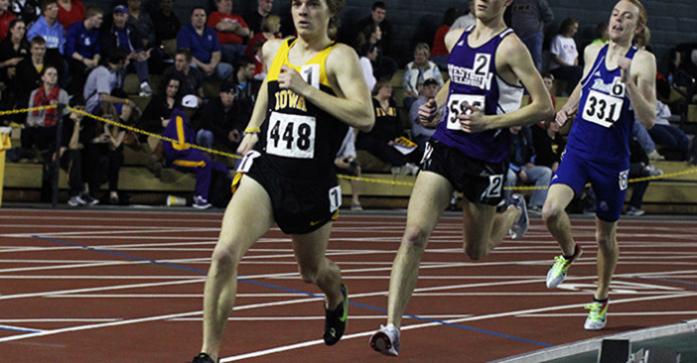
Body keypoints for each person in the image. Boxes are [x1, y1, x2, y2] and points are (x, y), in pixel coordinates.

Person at [190, 0, 374, 361]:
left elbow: (365, 116)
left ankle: (336, 294)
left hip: (311, 181)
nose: (303, 11)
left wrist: (308, 91)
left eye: (313, 4)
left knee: (312, 271)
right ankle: (208, 354)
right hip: (268, 169)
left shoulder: (340, 58)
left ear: (330, 11)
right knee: (224, 253)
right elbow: (269, 85)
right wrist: (254, 127)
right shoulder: (276, 49)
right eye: (297, 3)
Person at [369, 0, 553, 356]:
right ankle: (391, 327)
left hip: (485, 158)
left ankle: (512, 212)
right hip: (446, 146)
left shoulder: (512, 47)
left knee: (476, 251)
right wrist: (435, 106)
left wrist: (492, 122)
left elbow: (544, 105)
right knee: (414, 233)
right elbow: (456, 81)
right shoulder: (457, 38)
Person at [543, 0, 657, 331]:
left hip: (612, 160)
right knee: (550, 212)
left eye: (627, 17)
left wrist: (628, 82)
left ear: (637, 28)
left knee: (605, 237)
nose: (618, 20)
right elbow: (584, 83)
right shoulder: (592, 51)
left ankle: (600, 299)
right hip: (580, 149)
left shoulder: (643, 61)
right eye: (615, 14)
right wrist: (567, 109)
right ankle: (568, 251)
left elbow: (649, 119)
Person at [508, 0, 554, 71]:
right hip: (517, 36)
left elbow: (549, 17)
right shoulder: (515, 1)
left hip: (533, 36)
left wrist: (539, 30)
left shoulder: (539, 1)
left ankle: (535, 80)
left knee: (534, 61)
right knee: (516, 60)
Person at [549, 17, 582, 95]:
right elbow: (554, 57)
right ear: (568, 27)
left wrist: (574, 65)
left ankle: (574, 93)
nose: (575, 31)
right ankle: (569, 93)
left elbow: (575, 56)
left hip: (571, 68)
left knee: (579, 71)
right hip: (558, 68)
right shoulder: (558, 39)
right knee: (576, 72)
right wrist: (566, 65)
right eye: (574, 28)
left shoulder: (572, 40)